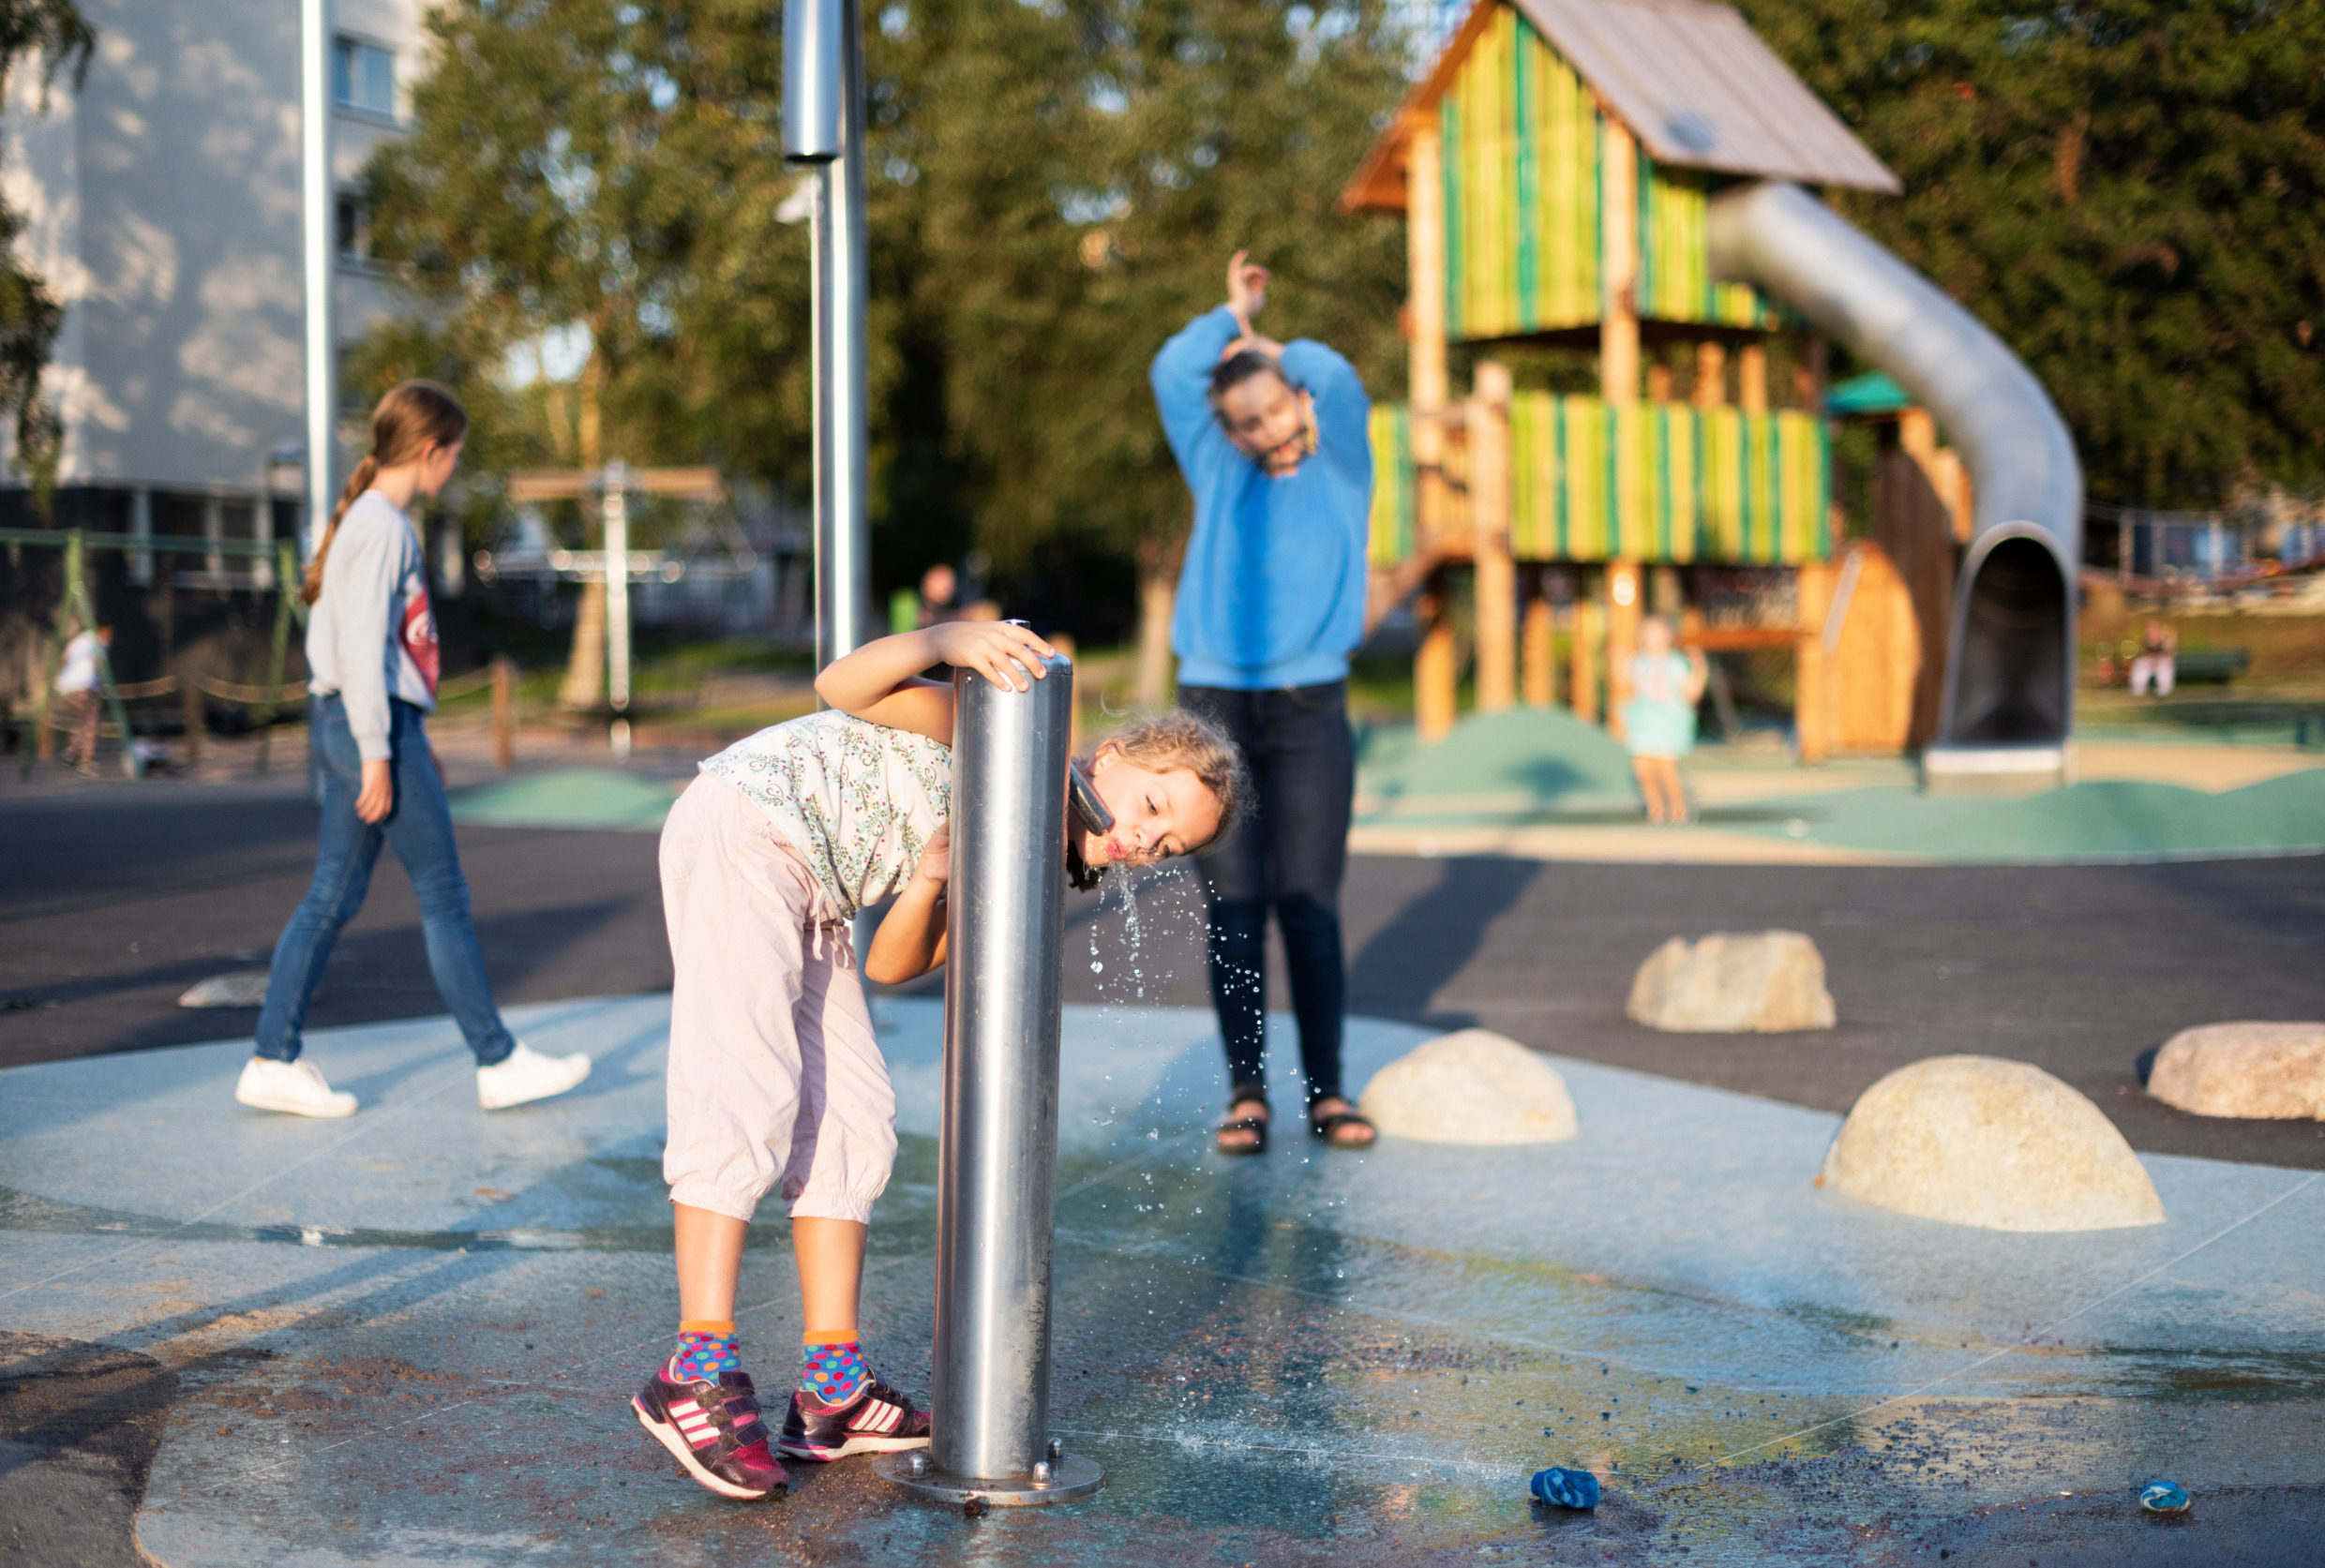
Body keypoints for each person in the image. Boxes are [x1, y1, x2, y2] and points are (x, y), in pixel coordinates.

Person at [633, 621, 1242, 1501]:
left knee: (854, 1119)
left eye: (1169, 845)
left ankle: (832, 1391)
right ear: (1108, 759)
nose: (1146, 841)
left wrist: (927, 879)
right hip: (748, 828)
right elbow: (844, 684)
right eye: (1151, 806)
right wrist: (943, 637)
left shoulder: (1034, 854)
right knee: (747, 1088)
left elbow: (892, 963)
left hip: (817, 895)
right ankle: (694, 1365)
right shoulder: (1005, 730)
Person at [238, 381, 592, 1119]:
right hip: (374, 728)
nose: (454, 470)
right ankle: (496, 1060)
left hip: (362, 723)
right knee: (444, 895)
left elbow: (335, 645)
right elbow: (364, 650)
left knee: (331, 896)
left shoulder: (364, 521)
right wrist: (380, 748)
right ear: (430, 451)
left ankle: (272, 1057)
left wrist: (394, 738)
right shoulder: (386, 525)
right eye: (455, 456)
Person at [1150, 249, 1378, 1157]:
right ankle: (1247, 1090)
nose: (1263, 430)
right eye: (1244, 422)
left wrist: (1269, 343)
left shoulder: (1343, 465)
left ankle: (1326, 1089)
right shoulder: (1218, 466)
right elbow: (1172, 370)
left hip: (1308, 704)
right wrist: (1226, 313)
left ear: (1299, 402)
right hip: (1212, 707)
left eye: (1275, 410)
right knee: (1234, 903)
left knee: (1308, 902)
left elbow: (1339, 374)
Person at [1624, 616, 1707, 825]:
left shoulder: (1675, 663)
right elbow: (1627, 687)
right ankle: (1656, 807)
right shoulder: (1637, 662)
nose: (1652, 638)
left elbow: (1691, 692)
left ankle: (1679, 808)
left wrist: (1700, 669)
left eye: (1657, 633)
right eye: (1648, 633)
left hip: (1667, 724)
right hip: (1644, 723)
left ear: (1667, 637)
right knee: (1642, 768)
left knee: (1666, 769)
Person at [53, 622, 112, 773]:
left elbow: (64, 656)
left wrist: (60, 680)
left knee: (82, 721)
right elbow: (96, 668)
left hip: (67, 687)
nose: (110, 636)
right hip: (83, 687)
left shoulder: (80, 640)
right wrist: (95, 687)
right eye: (109, 632)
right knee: (89, 721)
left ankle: (71, 753)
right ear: (102, 629)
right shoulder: (97, 643)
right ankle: (85, 760)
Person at [2128, 619, 2176, 697]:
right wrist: (2152, 659)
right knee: (2140, 665)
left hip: (2162, 662)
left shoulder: (2165, 639)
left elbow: (2170, 653)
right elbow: (2144, 652)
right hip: (2149, 661)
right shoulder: (2146, 639)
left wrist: (2157, 659)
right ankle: (2138, 692)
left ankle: (2164, 693)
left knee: (2165, 667)